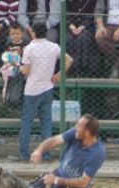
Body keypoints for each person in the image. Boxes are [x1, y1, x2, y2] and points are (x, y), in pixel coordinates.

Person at [17, 22, 73, 161]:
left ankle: (24, 154)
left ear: (33, 33)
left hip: (32, 90)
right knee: (46, 123)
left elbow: (26, 70)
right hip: (48, 88)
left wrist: (17, 65)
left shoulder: (29, 48)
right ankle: (46, 154)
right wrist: (59, 75)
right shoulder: (53, 47)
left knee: (27, 122)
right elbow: (69, 60)